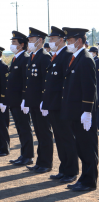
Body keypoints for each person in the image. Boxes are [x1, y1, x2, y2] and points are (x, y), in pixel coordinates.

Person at [61, 27, 98, 192]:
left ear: (80, 41)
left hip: (83, 113)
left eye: (70, 41)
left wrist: (87, 111)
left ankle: (89, 181)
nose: (68, 44)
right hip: (76, 112)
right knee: (81, 147)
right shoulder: (76, 58)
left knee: (87, 147)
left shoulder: (85, 58)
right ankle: (84, 178)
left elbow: (89, 88)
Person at [42, 26, 78, 183]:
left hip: (62, 106)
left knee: (67, 139)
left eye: (53, 39)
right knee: (60, 139)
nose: (50, 42)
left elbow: (67, 84)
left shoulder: (66, 55)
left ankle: (71, 171)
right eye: (49, 39)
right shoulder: (56, 56)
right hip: (54, 106)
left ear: (61, 40)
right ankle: (64, 169)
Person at [24, 27, 53, 173]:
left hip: (41, 103)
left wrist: (44, 101)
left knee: (44, 133)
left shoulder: (45, 56)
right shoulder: (32, 56)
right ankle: (40, 162)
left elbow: (46, 82)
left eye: (31, 40)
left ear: (40, 41)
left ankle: (46, 163)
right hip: (34, 103)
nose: (28, 43)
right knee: (39, 133)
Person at [5, 31, 34, 166]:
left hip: (20, 101)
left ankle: (28, 156)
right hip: (14, 101)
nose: (12, 45)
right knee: (20, 128)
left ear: (22, 45)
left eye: (14, 43)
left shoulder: (25, 57)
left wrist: (25, 99)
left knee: (24, 128)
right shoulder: (16, 57)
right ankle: (23, 154)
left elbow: (26, 81)